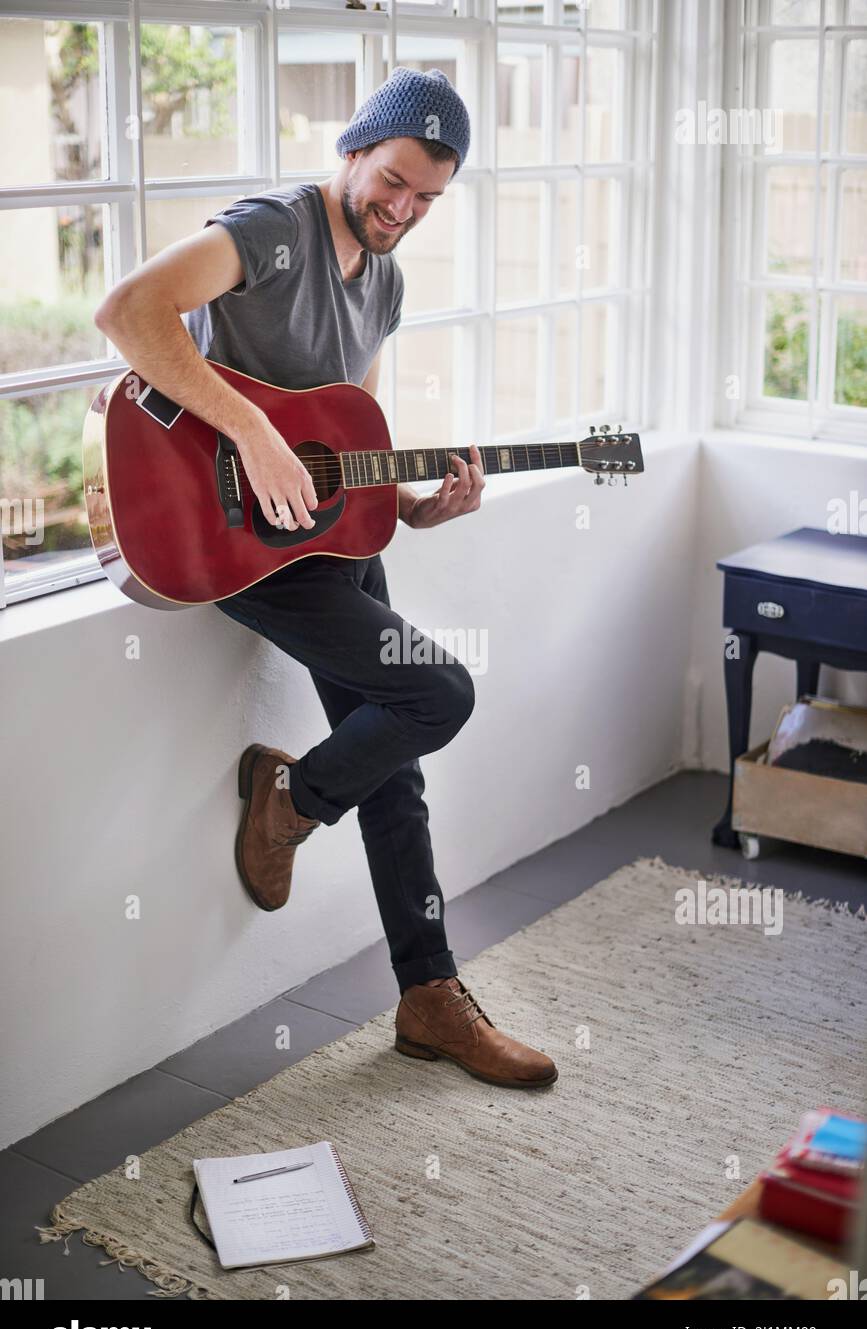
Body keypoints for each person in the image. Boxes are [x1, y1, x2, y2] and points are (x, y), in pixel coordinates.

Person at [94, 66, 557, 1089]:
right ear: (354, 150)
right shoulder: (272, 228)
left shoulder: (384, 283)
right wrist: (250, 430)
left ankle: (429, 995)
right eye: (392, 181)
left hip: (316, 539)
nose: (403, 209)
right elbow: (129, 312)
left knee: (401, 759)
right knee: (441, 690)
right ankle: (290, 797)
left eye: (427, 199)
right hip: (218, 534)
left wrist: (421, 507)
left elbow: (344, 452)